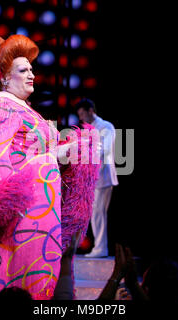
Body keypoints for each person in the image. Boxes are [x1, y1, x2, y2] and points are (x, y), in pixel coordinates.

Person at [0, 35, 100, 300]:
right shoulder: (0, 104)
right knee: (13, 279)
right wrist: (54, 156)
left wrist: (69, 149)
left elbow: (26, 151)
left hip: (35, 210)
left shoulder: (23, 108)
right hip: (18, 218)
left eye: (32, 69)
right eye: (23, 70)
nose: (32, 75)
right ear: (4, 78)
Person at [76, 99, 118, 258]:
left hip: (104, 177)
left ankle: (101, 248)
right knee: (94, 213)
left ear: (90, 111)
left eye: (82, 114)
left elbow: (104, 150)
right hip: (93, 178)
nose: (81, 118)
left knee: (99, 213)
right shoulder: (88, 129)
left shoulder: (106, 126)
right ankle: (99, 247)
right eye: (79, 115)